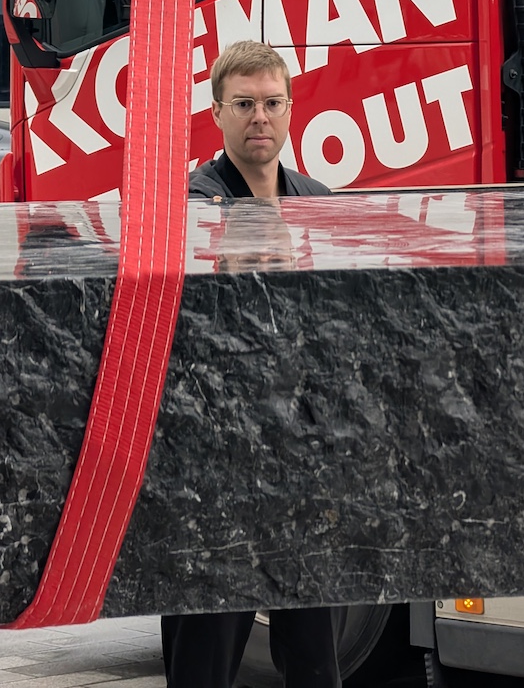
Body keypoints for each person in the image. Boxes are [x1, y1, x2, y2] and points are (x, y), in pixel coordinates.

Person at [162, 40, 340, 688]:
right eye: (243, 104)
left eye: (271, 103)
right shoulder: (194, 204)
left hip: (299, 455)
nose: (259, 117)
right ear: (216, 113)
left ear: (291, 108)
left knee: (315, 653)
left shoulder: (316, 199)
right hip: (219, 463)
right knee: (206, 651)